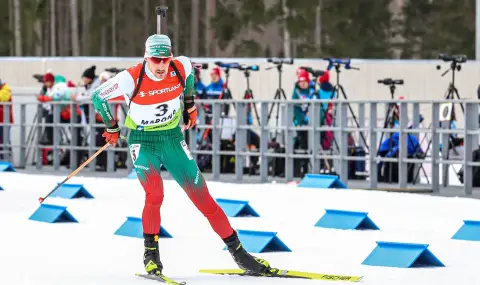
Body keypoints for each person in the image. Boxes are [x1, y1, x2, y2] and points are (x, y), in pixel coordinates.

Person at [90, 34, 271, 277]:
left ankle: (240, 253)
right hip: (144, 143)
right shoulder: (131, 77)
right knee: (155, 194)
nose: (162, 65)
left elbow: (189, 76)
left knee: (202, 198)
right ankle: (151, 255)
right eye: (156, 60)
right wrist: (112, 126)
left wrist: (190, 104)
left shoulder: (181, 65)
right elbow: (97, 96)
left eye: (166, 59)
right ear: (147, 57)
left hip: (172, 140)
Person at [0, 79, 12, 160]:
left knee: (3, 140)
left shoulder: (5, 90)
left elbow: (3, 98)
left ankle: (5, 159)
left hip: (3, 120)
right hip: (3, 120)